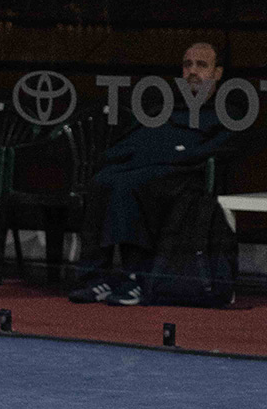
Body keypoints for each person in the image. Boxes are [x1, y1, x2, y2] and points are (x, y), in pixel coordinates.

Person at [69, 41, 240, 305]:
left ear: (217, 73)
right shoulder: (164, 107)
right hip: (144, 169)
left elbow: (218, 150)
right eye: (187, 65)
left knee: (130, 184)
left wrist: (171, 154)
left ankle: (136, 279)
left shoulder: (227, 113)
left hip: (186, 178)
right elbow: (132, 142)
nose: (193, 71)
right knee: (102, 181)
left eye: (201, 65)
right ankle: (94, 277)